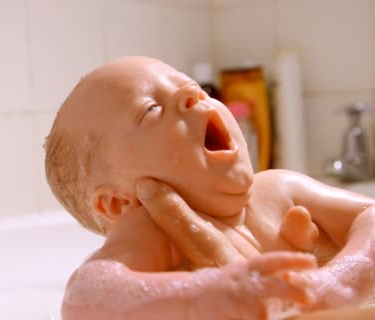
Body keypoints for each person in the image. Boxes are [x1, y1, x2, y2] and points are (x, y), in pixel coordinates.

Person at [44, 56, 375, 320]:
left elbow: (369, 215)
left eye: (193, 88)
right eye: (151, 109)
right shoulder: (153, 230)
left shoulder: (279, 188)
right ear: (117, 203)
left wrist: (338, 280)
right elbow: (84, 298)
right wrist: (204, 295)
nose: (192, 95)